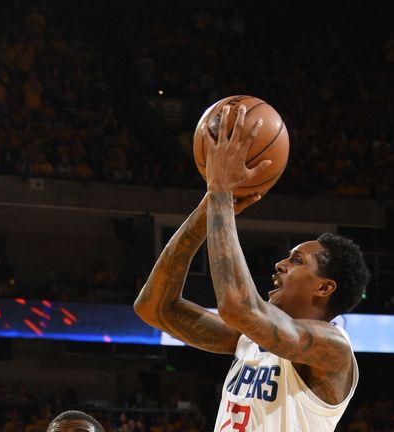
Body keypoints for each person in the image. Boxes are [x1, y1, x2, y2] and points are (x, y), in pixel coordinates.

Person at [134, 104, 371, 431]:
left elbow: (239, 307)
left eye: (297, 260)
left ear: (324, 287)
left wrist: (220, 191)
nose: (280, 264)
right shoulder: (250, 339)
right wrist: (207, 208)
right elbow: (153, 307)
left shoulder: (332, 349)